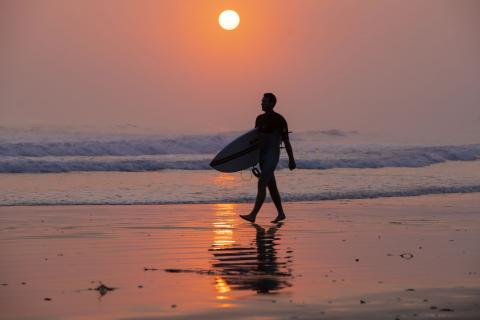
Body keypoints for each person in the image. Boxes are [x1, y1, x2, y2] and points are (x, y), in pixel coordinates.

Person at [240, 93, 296, 223]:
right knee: (271, 186)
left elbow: (286, 141)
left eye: (264, 101)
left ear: (272, 103)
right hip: (262, 157)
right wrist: (251, 159)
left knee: (262, 183)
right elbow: (255, 140)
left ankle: (253, 214)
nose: (261, 103)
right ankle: (281, 213)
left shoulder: (279, 119)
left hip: (272, 155)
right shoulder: (259, 119)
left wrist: (291, 159)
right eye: (262, 101)